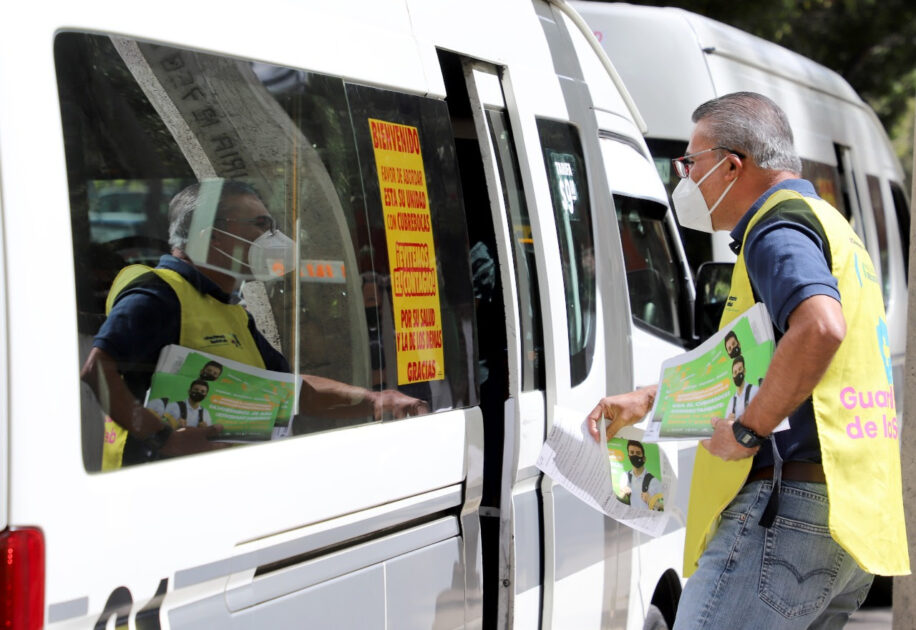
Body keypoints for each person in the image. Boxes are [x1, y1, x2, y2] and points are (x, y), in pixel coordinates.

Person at [587, 92, 907, 628]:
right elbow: (750, 364)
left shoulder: (776, 228)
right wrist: (649, 399)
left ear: (733, 165)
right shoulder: (830, 225)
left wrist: (748, 432)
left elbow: (819, 328)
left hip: (789, 515)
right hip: (850, 515)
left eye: (691, 162)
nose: (684, 177)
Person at [81, 179, 429, 466]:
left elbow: (287, 389)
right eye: (261, 225)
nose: (272, 237)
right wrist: (164, 439)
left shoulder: (225, 307)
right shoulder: (160, 293)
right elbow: (97, 369)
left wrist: (373, 402)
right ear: (211, 234)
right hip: (157, 495)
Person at [618, 440, 663, 511]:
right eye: (632, 453)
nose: (634, 455)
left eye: (638, 453)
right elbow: (619, 502)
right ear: (629, 457)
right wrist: (622, 495)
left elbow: (665, 507)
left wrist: (652, 501)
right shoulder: (624, 476)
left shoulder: (654, 481)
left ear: (644, 459)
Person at [725, 355, 757, 420]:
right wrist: (728, 421)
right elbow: (728, 425)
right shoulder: (731, 402)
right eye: (735, 372)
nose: (738, 373)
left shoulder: (755, 390)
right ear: (733, 378)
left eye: (740, 369)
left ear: (744, 371)